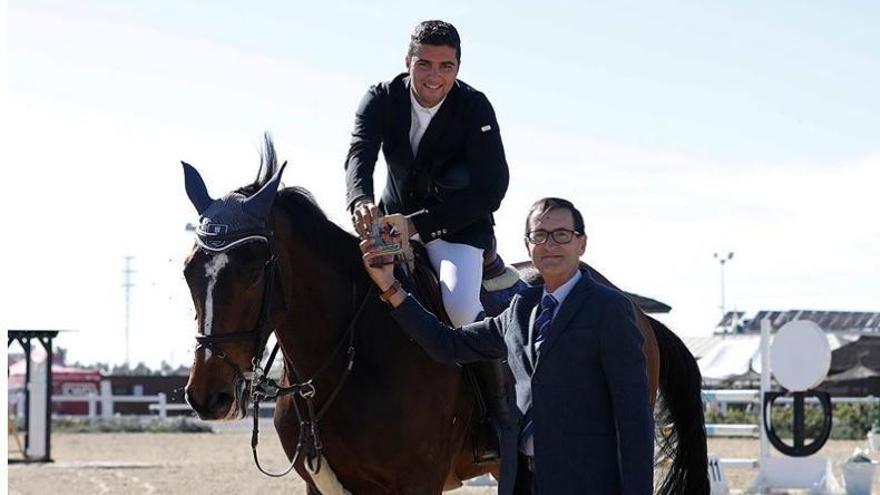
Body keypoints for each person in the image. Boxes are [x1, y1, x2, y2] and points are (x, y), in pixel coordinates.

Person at [361, 198, 654, 495]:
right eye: (539, 236)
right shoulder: (520, 309)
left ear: (582, 244)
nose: (550, 244)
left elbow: (635, 419)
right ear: (528, 246)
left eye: (562, 235)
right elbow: (447, 344)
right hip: (522, 482)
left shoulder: (610, 310)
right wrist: (390, 287)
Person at [344, 19, 509, 328]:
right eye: (424, 64)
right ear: (408, 62)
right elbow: (360, 152)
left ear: (458, 68)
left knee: (460, 307)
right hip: (390, 227)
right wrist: (360, 199)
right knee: (349, 295)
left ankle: (499, 376)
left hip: (457, 232)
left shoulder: (475, 108)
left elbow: (492, 189)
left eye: (446, 66)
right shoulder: (380, 98)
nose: (434, 76)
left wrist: (418, 224)